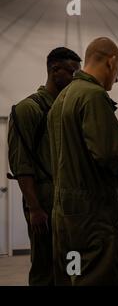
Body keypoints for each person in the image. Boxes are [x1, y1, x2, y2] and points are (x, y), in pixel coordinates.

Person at [47, 37, 118, 286]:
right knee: (98, 278)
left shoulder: (61, 98)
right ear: (111, 62)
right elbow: (109, 155)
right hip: (94, 215)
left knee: (73, 276)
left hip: (66, 214)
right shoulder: (93, 96)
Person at [7, 47, 81, 286]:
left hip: (68, 202)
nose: (74, 78)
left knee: (72, 265)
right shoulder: (28, 109)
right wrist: (34, 208)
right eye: (71, 72)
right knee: (44, 269)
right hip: (43, 202)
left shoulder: (66, 109)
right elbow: (22, 165)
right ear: (54, 70)